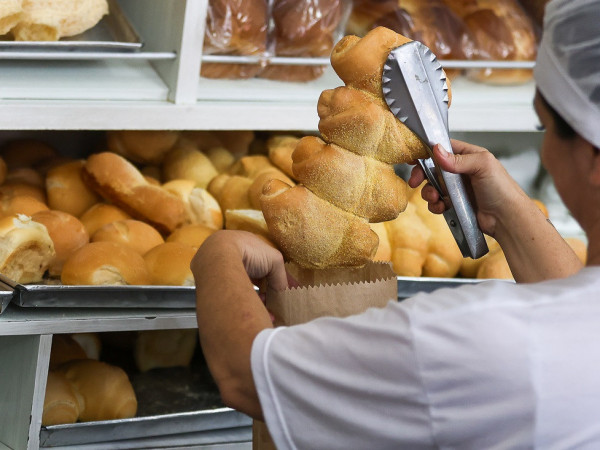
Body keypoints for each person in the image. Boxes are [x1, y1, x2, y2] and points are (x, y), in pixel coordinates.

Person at [191, 0, 600, 447]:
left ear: (593, 158)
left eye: (543, 128)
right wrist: (505, 214)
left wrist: (218, 257)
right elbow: (570, 306)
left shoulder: (473, 340)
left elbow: (245, 376)